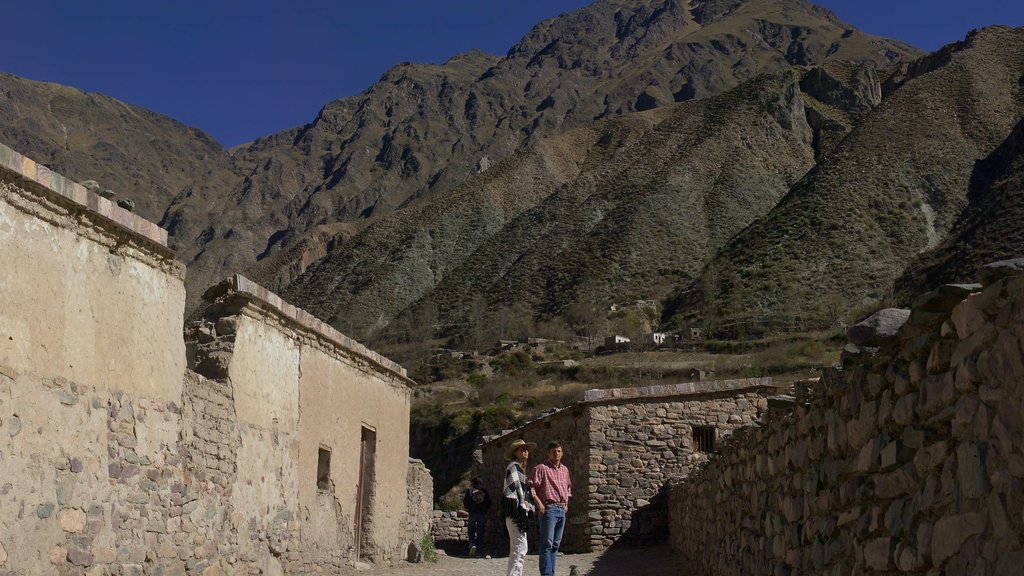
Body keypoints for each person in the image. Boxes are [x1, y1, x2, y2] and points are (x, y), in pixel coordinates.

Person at [530, 441, 572, 576]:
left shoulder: (565, 470)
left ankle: (551, 573)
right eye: (554, 451)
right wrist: (540, 504)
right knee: (546, 545)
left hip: (561, 509)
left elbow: (568, 488)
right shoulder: (541, 468)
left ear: (562, 453)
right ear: (548, 453)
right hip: (549, 509)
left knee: (555, 545)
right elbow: (531, 488)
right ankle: (546, 574)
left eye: (559, 451)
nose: (557, 453)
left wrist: (566, 504)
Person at [502, 438, 536, 576]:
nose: (526, 451)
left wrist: (526, 504)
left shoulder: (520, 470)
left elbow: (523, 492)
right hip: (515, 512)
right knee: (519, 548)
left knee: (518, 548)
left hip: (518, 512)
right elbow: (513, 491)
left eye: (526, 449)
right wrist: (521, 505)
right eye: (522, 449)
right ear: (515, 452)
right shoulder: (514, 467)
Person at [463, 476, 492, 556]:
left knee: (471, 531)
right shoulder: (484, 492)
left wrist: (469, 507)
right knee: (480, 532)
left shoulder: (469, 491)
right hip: (482, 514)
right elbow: (489, 503)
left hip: (472, 513)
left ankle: (472, 544)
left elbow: (466, 503)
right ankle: (479, 548)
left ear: (473, 483)